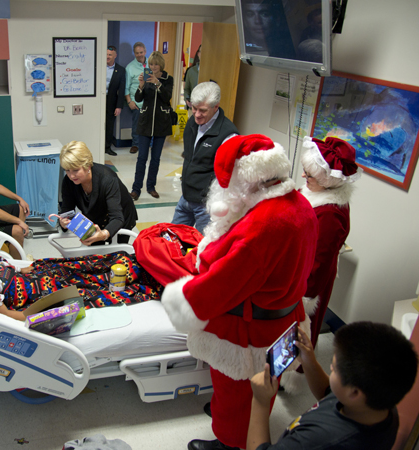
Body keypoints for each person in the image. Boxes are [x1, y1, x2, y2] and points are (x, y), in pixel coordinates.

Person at [161, 134, 318, 450]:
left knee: (235, 391)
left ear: (246, 180)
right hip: (284, 320)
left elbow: (223, 284)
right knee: (263, 386)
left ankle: (229, 442)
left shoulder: (261, 226)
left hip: (249, 332)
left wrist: (183, 299)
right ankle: (231, 419)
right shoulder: (300, 204)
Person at [247, 323, 418, 450]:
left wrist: (260, 401)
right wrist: (310, 362)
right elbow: (328, 394)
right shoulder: (380, 406)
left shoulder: (316, 441)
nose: (330, 368)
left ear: (355, 392)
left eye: (334, 368)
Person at [282, 136, 362, 392]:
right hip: (296, 268)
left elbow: (320, 262)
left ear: (328, 181)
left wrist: (303, 296)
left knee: (298, 327)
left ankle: (287, 374)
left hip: (307, 282)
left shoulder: (330, 213)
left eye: (310, 176)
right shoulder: (317, 191)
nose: (304, 178)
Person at [171, 82, 239, 233]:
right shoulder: (192, 123)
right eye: (194, 108)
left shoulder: (228, 135)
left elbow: (228, 176)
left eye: (202, 110)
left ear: (216, 107)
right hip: (186, 197)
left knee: (205, 248)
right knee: (173, 239)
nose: (196, 114)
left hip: (206, 206)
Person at [59, 141, 137, 246]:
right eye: (67, 170)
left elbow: (117, 218)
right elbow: (67, 210)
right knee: (96, 252)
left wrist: (104, 234)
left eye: (76, 170)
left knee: (116, 253)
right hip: (96, 217)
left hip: (121, 215)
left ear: (88, 166)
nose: (71, 176)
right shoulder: (69, 182)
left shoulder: (107, 179)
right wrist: (64, 223)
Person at [130, 51, 174, 201]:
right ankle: (136, 189)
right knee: (141, 157)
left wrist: (158, 83)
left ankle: (151, 187)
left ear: (161, 65)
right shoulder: (146, 78)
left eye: (156, 64)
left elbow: (167, 97)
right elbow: (138, 98)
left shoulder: (168, 79)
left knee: (155, 158)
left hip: (161, 124)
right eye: (151, 65)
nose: (153, 67)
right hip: (145, 123)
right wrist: (141, 86)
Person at [124, 42, 148, 154]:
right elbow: (126, 87)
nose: (139, 55)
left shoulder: (151, 65)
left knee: (148, 124)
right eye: (137, 53)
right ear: (134, 53)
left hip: (149, 102)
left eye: (141, 52)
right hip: (136, 102)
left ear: (145, 52)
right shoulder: (130, 67)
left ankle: (147, 145)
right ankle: (135, 145)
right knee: (137, 125)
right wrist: (129, 101)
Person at [105, 45, 126, 156]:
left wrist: (119, 106)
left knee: (109, 125)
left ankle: (107, 147)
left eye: (110, 55)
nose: (107, 57)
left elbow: (121, 90)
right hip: (99, 100)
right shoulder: (98, 66)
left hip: (111, 100)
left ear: (115, 56)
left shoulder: (121, 70)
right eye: (106, 54)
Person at [184, 45, 201, 110]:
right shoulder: (191, 71)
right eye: (201, 52)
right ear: (198, 54)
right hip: (193, 108)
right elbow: (186, 89)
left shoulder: (212, 72)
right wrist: (187, 99)